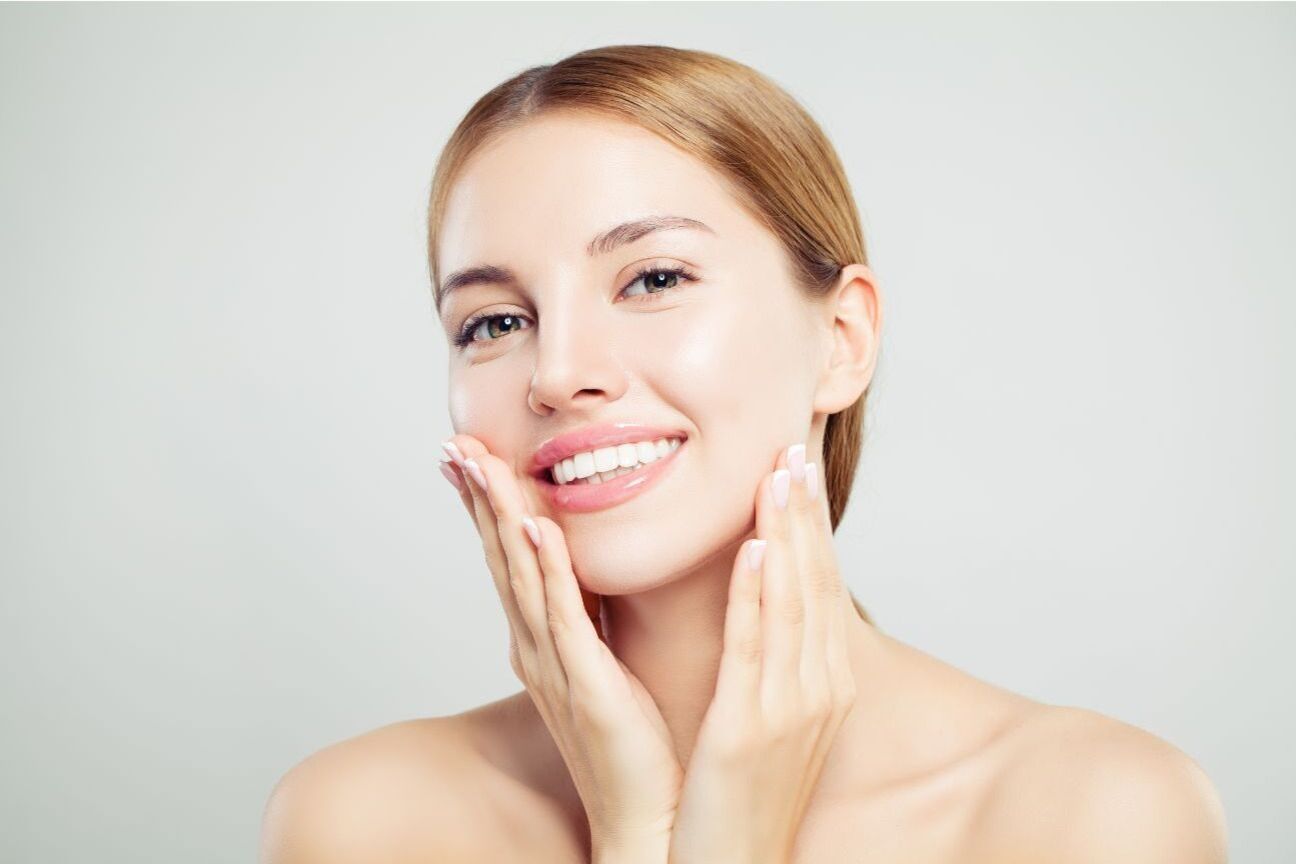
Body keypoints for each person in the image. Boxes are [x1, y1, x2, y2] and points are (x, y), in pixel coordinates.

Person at [260, 45, 1227, 863]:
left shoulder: (1093, 816)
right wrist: (643, 836)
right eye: (496, 322)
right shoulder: (363, 822)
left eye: (653, 279)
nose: (557, 374)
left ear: (841, 339)